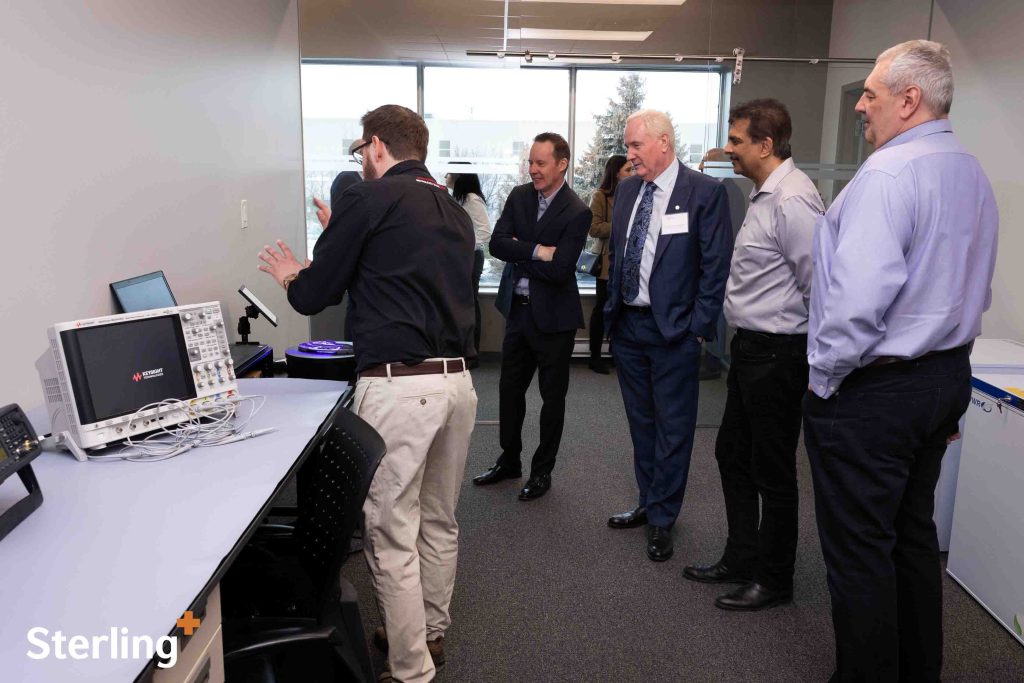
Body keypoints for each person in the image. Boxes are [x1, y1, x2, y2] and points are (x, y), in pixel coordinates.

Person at [257, 104, 478, 683]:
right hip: (458, 385)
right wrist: (346, 231)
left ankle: (410, 670)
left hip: (400, 389)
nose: (362, 161)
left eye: (361, 152)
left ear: (377, 147)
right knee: (438, 519)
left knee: (390, 530)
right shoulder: (454, 211)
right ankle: (430, 633)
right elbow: (401, 269)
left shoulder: (367, 199)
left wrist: (288, 272)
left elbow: (312, 295)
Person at [803, 40, 998, 680]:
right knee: (912, 538)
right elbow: (975, 285)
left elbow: (854, 306)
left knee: (860, 552)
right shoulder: (969, 170)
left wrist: (826, 384)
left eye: (871, 93)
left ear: (909, 100)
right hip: (944, 377)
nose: (861, 105)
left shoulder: (887, 175)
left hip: (875, 391)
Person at [682, 99, 823, 611]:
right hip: (752, 351)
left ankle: (775, 578)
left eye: (737, 141)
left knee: (774, 471)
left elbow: (821, 289)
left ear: (766, 145)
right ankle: (742, 557)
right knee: (731, 455)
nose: (729, 150)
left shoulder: (793, 201)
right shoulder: (764, 196)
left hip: (779, 354)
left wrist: (816, 365)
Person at [604, 110, 732, 562]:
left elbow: (715, 269)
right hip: (629, 327)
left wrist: (697, 328)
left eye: (636, 146)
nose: (630, 154)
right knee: (642, 423)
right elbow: (620, 255)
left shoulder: (705, 194)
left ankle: (662, 518)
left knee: (673, 428)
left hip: (675, 332)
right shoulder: (626, 191)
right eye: (628, 146)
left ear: (663, 142)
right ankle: (647, 500)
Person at [472, 132, 591, 501]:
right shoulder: (519, 196)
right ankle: (509, 461)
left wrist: (519, 252)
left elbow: (562, 270)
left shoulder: (577, 210)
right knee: (509, 391)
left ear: (561, 164)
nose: (533, 170)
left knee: (551, 399)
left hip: (555, 321)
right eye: (531, 162)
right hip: (518, 314)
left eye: (541, 163)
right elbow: (496, 245)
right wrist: (539, 251)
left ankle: (542, 472)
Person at [587, 154, 633, 374]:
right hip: (606, 263)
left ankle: (618, 355)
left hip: (629, 262)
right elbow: (594, 228)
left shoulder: (636, 195)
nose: (631, 174)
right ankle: (595, 357)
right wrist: (621, 226)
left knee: (623, 311)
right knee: (602, 309)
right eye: (627, 170)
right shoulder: (601, 196)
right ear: (616, 173)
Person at [446, 167, 492, 357]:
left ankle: (471, 351)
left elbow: (485, 231)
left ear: (459, 176)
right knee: (461, 302)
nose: (446, 176)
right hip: (461, 257)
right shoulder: (459, 198)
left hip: (471, 257)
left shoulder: (472, 199)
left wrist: (465, 247)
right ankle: (462, 348)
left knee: (469, 302)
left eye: (448, 173)